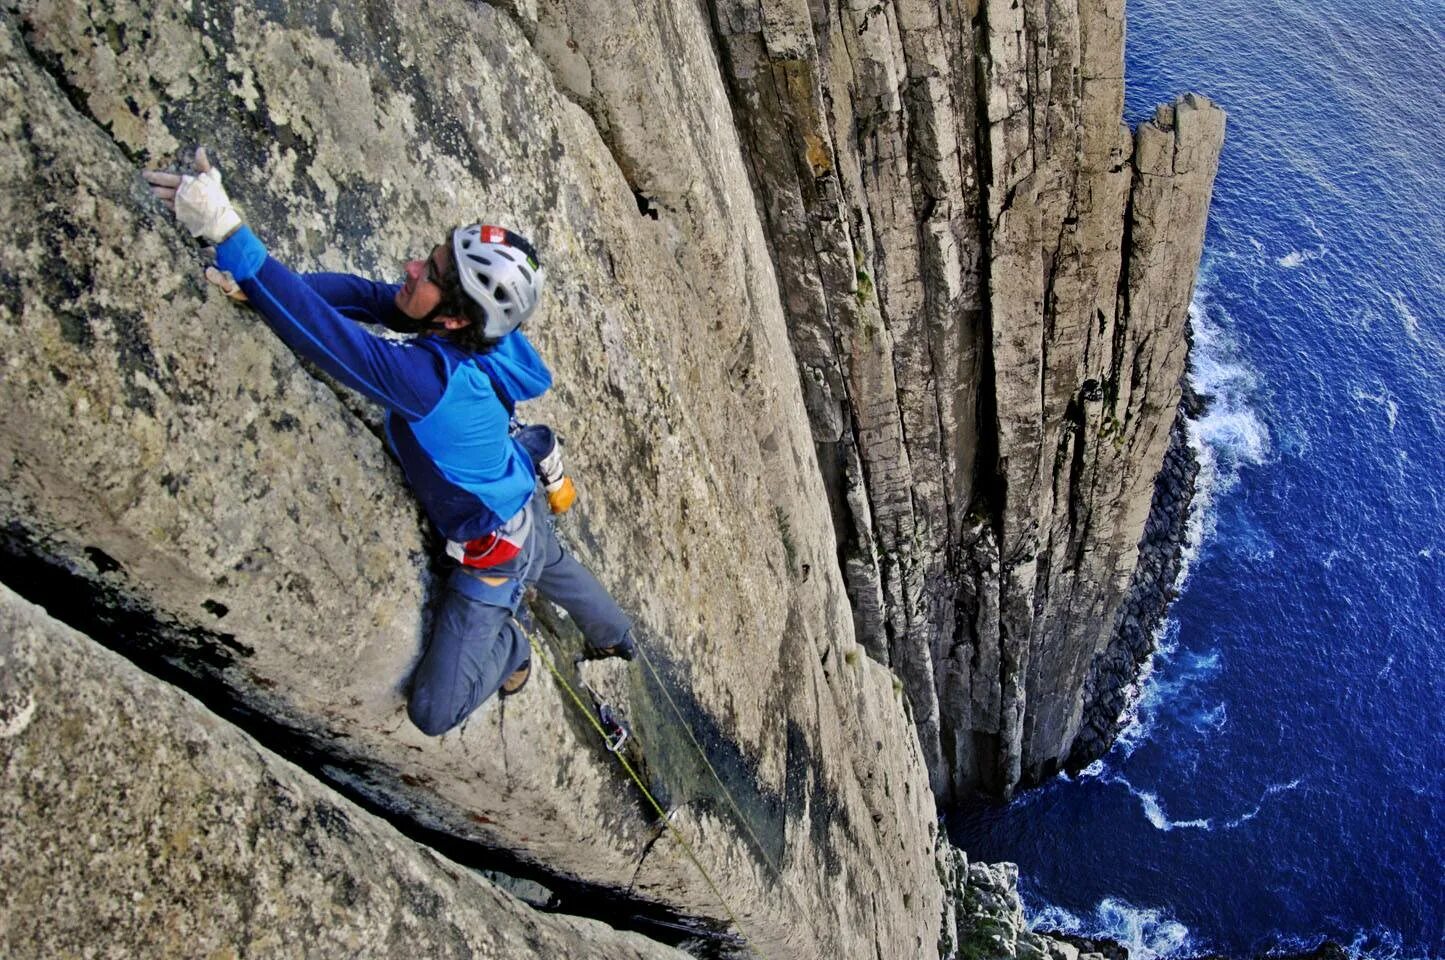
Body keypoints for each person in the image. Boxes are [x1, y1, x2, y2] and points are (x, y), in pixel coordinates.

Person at [143, 150, 635, 736]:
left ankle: (511, 652)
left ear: (455, 321)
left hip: (494, 549)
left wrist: (231, 237)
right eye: (427, 262)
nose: (408, 268)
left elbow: (331, 342)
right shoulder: (474, 331)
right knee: (553, 561)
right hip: (519, 491)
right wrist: (267, 288)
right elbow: (369, 300)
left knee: (433, 712)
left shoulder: (429, 382)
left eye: (426, 274)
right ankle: (617, 635)